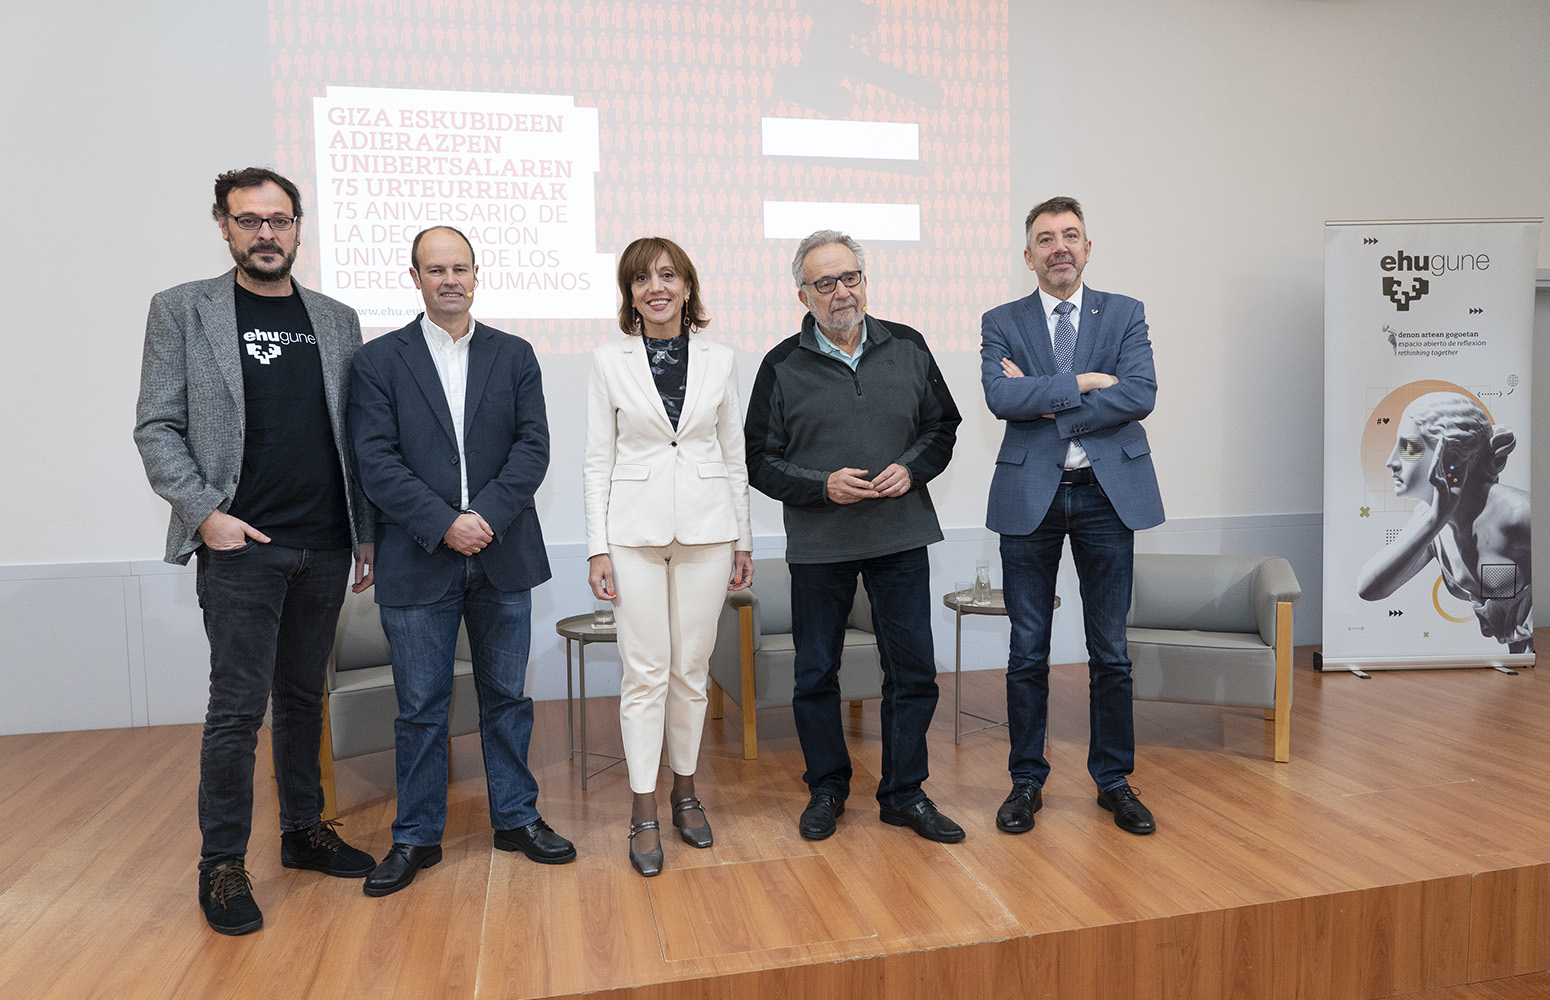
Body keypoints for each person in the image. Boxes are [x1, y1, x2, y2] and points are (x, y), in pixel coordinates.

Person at [134, 167, 377, 935]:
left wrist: (364, 530)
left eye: (279, 220)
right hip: (241, 546)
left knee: (304, 699)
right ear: (224, 225)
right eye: (249, 221)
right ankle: (223, 867)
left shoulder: (337, 318)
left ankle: (303, 831)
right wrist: (206, 515)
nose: (266, 234)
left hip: (326, 543)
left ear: (299, 227)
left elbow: (359, 437)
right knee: (236, 711)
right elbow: (156, 426)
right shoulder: (183, 310)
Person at [348, 226, 575, 897]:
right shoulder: (378, 362)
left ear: (477, 274)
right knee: (421, 706)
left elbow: (532, 449)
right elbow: (375, 462)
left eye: (460, 268)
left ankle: (516, 817)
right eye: (434, 269)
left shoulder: (515, 355)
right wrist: (445, 523)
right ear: (413, 278)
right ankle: (416, 836)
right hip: (417, 558)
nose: (449, 279)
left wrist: (485, 520)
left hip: (502, 555)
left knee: (508, 697)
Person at [745, 230, 963, 844]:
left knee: (913, 671)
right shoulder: (780, 365)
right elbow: (758, 459)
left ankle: (904, 793)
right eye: (824, 283)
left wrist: (913, 468)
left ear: (864, 282)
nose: (840, 292)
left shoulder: (910, 345)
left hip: (901, 535)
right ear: (802, 294)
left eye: (850, 279)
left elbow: (941, 427)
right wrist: (822, 486)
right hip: (821, 545)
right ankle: (828, 789)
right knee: (816, 673)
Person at [980, 196, 1164, 837]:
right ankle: (1025, 781)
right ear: (1028, 255)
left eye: (1071, 236)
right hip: (1031, 497)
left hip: (1105, 496)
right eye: (1046, 238)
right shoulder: (1001, 320)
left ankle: (1114, 779)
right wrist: (1086, 381)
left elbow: (1140, 393)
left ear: (1087, 248)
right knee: (1027, 649)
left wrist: (1051, 400)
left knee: (1109, 650)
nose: (1060, 247)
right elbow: (1001, 397)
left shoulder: (1124, 313)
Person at [584, 237, 754, 877]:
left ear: (687, 286)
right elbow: (598, 458)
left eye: (668, 275)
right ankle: (644, 808)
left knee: (691, 668)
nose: (656, 287)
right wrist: (597, 547)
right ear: (630, 294)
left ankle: (687, 791)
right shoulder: (608, 360)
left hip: (709, 531)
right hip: (631, 533)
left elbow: (732, 452)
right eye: (641, 279)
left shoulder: (720, 358)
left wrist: (742, 538)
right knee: (645, 670)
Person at [1358, 392, 1532, 652]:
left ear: (1451, 456)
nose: (1391, 461)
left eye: (1409, 448)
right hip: (1520, 664)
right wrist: (1435, 519)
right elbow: (1369, 589)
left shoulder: (1518, 512)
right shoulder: (1431, 520)